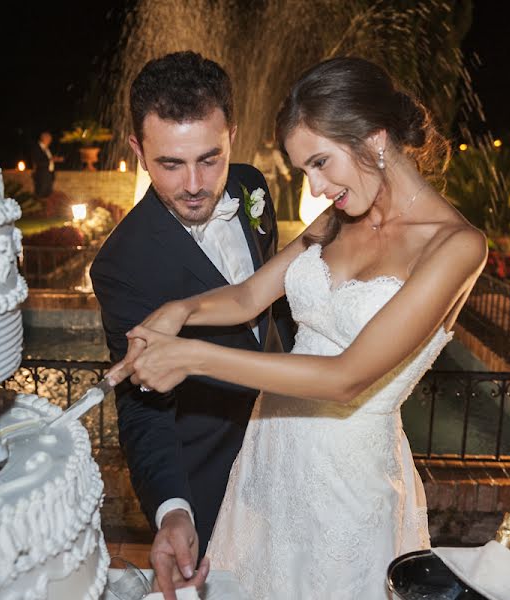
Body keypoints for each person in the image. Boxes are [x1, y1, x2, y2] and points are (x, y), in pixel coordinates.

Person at [109, 57, 487, 599]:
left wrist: (191, 356)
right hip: (268, 455)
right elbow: (249, 295)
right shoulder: (339, 216)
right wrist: (182, 311)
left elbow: (346, 378)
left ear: (374, 139)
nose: (314, 187)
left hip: (346, 482)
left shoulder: (455, 247)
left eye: (320, 163)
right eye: (303, 170)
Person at [89, 51, 295, 599]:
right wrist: (173, 511)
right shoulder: (122, 265)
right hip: (212, 477)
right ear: (137, 151)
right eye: (170, 164)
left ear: (233, 134)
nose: (195, 184)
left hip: (296, 445)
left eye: (211, 158)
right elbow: (141, 408)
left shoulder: (253, 187)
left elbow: (276, 309)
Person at [252, 137, 292, 216]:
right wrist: (286, 174)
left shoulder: (258, 153)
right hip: (270, 181)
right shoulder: (274, 152)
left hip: (260, 181)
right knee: (271, 200)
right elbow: (280, 164)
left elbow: (254, 166)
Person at [31, 131, 62, 198]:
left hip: (49, 174)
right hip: (42, 175)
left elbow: (48, 159)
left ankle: (45, 207)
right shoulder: (37, 148)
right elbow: (38, 161)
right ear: (44, 138)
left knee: (48, 194)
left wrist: (54, 159)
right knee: (41, 193)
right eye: (49, 139)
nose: (50, 141)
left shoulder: (46, 148)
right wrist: (51, 159)